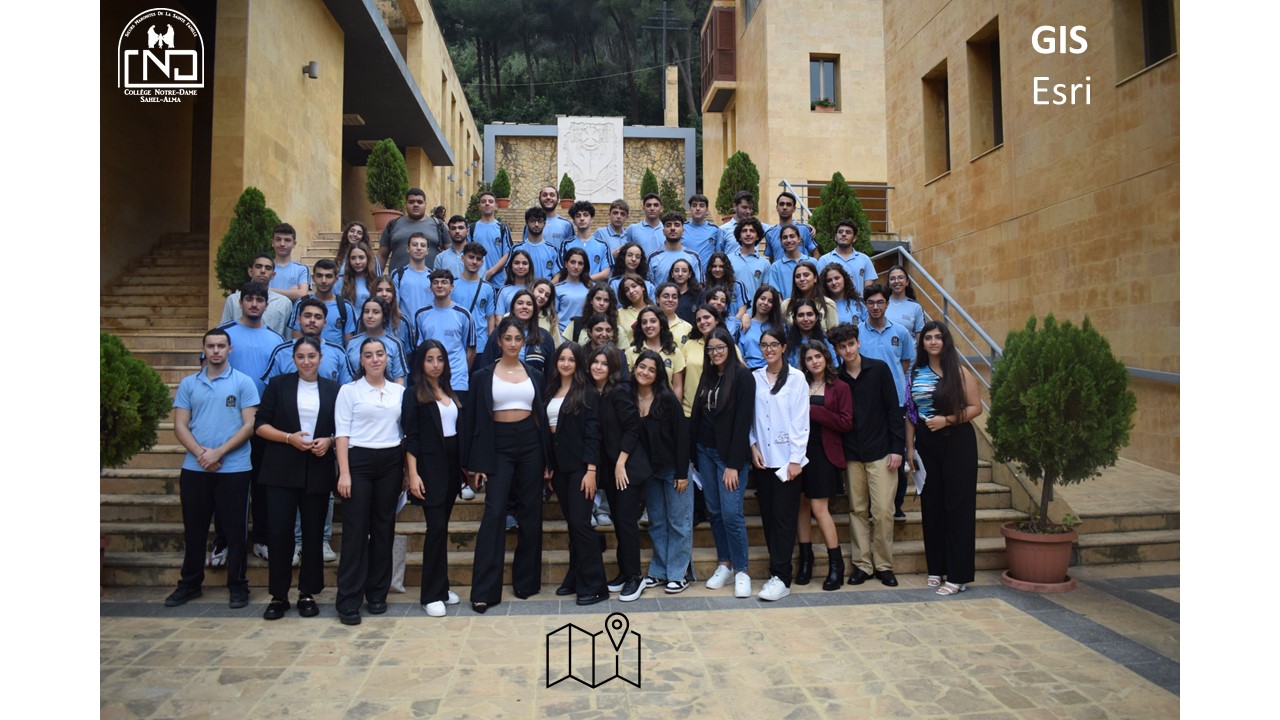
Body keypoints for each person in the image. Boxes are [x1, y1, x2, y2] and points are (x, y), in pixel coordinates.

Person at [462, 317, 554, 612]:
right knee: (494, 512)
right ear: (499, 341)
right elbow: (474, 420)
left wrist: (547, 459)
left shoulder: (534, 374)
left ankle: (526, 582)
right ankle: (484, 590)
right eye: (508, 338)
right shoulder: (483, 375)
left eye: (518, 338)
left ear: (523, 342)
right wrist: (476, 464)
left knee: (531, 510)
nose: (513, 343)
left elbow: (540, 417)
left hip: (530, 442)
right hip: (497, 444)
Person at [164, 328, 258, 610]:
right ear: (204, 350)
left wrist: (219, 452)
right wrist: (201, 454)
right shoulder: (189, 384)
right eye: (211, 346)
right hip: (195, 469)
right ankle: (190, 583)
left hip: (234, 469)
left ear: (230, 349)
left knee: (236, 531)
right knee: (194, 530)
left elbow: (249, 425)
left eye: (221, 346)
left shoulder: (243, 382)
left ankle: (238, 585)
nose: (216, 350)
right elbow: (180, 425)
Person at [253, 337, 339, 620]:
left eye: (311, 356)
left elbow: (342, 428)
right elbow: (260, 425)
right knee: (279, 533)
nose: (306, 361)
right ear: (293, 358)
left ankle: (307, 593)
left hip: (318, 468)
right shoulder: (279, 384)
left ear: (320, 358)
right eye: (300, 356)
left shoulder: (333, 389)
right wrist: (289, 438)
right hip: (281, 469)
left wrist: (329, 441)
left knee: (313, 535)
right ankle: (279, 596)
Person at [333, 337, 407, 625]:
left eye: (380, 354)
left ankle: (377, 594)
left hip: (390, 462)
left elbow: (403, 432)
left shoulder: (399, 391)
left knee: (383, 528)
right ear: (361, 360)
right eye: (368, 355)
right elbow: (342, 433)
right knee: (355, 531)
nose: (375, 359)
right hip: (358, 462)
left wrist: (405, 470)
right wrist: (344, 472)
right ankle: (349, 600)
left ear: (387, 358)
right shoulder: (349, 391)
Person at [906, 321, 982, 597]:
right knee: (932, 506)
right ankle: (936, 568)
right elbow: (910, 413)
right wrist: (910, 448)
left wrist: (947, 420)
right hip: (927, 445)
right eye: (928, 337)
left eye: (938, 337)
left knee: (958, 508)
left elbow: (976, 407)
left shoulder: (959, 372)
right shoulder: (914, 373)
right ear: (922, 343)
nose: (934, 342)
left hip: (957, 442)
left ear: (946, 341)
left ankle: (958, 575)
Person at [829, 322, 905, 588]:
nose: (848, 350)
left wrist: (897, 449)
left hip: (882, 451)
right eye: (842, 347)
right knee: (857, 510)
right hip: (851, 453)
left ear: (858, 343)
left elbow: (894, 411)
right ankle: (862, 564)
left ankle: (884, 565)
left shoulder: (880, 370)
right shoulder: (836, 378)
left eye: (851, 344)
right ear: (836, 350)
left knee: (883, 510)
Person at [402, 340, 467, 616]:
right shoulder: (413, 393)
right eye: (429, 359)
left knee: (442, 530)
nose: (435, 364)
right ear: (421, 363)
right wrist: (413, 474)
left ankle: (441, 587)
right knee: (436, 529)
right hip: (429, 469)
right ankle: (430, 595)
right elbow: (411, 437)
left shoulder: (449, 390)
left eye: (440, 359)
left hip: (451, 468)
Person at [690, 327, 755, 598]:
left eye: (720, 347)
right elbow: (697, 414)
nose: (715, 353)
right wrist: (693, 455)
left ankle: (742, 570)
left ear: (730, 347)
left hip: (729, 457)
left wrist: (733, 464)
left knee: (731, 514)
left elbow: (743, 422)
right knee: (715, 512)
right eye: (711, 349)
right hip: (704, 452)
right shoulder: (708, 375)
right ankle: (724, 564)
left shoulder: (742, 376)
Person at [544, 343, 608, 605]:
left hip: (582, 468)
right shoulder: (550, 389)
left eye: (571, 359)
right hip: (559, 468)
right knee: (573, 525)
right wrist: (548, 466)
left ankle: (596, 585)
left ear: (578, 363)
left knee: (581, 524)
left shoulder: (587, 391)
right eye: (562, 359)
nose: (566, 363)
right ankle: (575, 575)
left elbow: (593, 433)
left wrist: (591, 470)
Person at [748, 328, 809, 602]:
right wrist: (752, 446)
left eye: (774, 345)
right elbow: (750, 418)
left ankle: (782, 578)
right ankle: (776, 573)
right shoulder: (755, 378)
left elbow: (801, 421)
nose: (769, 350)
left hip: (788, 462)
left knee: (784, 520)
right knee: (769, 518)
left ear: (784, 347)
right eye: (764, 345)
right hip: (763, 461)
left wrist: (796, 459)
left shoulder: (796, 378)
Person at [794, 340, 852, 591]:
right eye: (809, 358)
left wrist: (813, 411)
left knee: (819, 508)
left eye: (818, 356)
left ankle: (836, 565)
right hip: (799, 452)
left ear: (826, 358)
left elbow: (845, 422)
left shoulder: (840, 386)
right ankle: (806, 561)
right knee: (801, 506)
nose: (814, 362)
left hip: (824, 453)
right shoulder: (799, 384)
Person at [594, 346, 650, 604]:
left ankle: (635, 577)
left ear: (613, 368)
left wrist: (620, 463)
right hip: (612, 469)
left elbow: (632, 428)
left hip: (628, 468)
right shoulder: (598, 393)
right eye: (595, 362)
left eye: (604, 364)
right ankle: (625, 571)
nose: (598, 367)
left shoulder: (618, 392)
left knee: (626, 523)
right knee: (618, 521)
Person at [634, 350, 692, 595]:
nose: (645, 372)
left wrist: (682, 472)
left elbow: (682, 437)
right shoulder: (629, 398)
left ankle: (678, 574)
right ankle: (659, 571)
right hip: (649, 472)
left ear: (658, 375)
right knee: (657, 523)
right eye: (642, 367)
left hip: (673, 470)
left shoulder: (667, 399)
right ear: (634, 368)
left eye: (651, 369)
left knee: (679, 522)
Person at [860, 282, 915, 520]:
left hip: (896, 401)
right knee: (872, 454)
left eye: (880, 302)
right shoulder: (858, 333)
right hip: (867, 402)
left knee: (896, 450)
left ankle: (897, 503)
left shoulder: (901, 332)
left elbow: (905, 362)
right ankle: (872, 505)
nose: (875, 307)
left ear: (887, 303)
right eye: (871, 303)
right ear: (865, 305)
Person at [413, 269, 476, 401]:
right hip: (430, 381)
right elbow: (420, 349)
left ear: (452, 287)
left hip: (457, 380)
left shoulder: (463, 315)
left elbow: (471, 349)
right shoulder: (421, 315)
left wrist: (462, 370)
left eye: (444, 282)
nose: (440, 285)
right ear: (430, 288)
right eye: (435, 282)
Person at [475, 289, 557, 374]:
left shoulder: (544, 336)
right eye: (520, 303)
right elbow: (486, 366)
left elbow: (550, 372)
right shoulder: (499, 333)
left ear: (534, 310)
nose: (524, 307)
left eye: (529, 304)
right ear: (513, 309)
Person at [221, 252, 294, 339]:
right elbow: (223, 332)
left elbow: (288, 338)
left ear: (273, 275)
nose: (263, 271)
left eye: (268, 268)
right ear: (250, 271)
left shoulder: (284, 303)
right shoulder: (233, 300)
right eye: (258, 266)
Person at [624, 306, 686, 401]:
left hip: (666, 406)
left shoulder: (675, 352)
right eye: (644, 322)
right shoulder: (631, 352)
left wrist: (675, 408)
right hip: (637, 406)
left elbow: (677, 387)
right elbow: (628, 385)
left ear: (661, 324)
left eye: (653, 321)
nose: (648, 325)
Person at [291, 260, 357, 347]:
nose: (324, 280)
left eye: (328, 276)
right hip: (307, 354)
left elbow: (349, 343)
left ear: (336, 279)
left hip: (334, 355)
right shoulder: (301, 303)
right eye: (319, 276)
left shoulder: (345, 307)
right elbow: (296, 340)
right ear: (313, 278)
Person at [346, 297, 409, 384]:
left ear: (384, 316)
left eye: (375, 312)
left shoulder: (395, 344)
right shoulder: (352, 342)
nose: (370, 316)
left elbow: (399, 378)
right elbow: (346, 376)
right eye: (366, 311)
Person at [452, 242, 497, 355]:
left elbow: (490, 318)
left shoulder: (488, 288)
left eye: (478, 259)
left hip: (480, 346)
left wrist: (491, 344)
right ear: (463, 258)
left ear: (482, 262)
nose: (474, 262)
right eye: (471, 257)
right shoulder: (452, 285)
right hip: (456, 344)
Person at [378, 188, 438, 272]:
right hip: (397, 279)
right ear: (406, 203)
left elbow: (450, 254)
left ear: (425, 204)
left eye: (419, 202)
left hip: (431, 279)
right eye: (411, 202)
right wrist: (374, 277)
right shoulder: (393, 225)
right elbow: (382, 255)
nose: (415, 205)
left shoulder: (438, 225)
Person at [816, 219, 877, 288]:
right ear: (835, 237)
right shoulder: (824, 260)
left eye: (848, 232)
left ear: (854, 238)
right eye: (840, 232)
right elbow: (820, 287)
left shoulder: (865, 259)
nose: (843, 234)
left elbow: (869, 289)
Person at [470, 190, 514, 284]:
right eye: (483, 201)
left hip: (498, 282)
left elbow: (508, 253)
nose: (487, 204)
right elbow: (466, 253)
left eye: (490, 201)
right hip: (476, 281)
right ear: (479, 206)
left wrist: (491, 272)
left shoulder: (503, 228)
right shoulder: (472, 228)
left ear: (496, 206)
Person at [648, 211, 703, 286]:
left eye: (677, 225)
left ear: (683, 231)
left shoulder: (693, 257)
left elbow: (699, 286)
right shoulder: (653, 257)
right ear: (663, 231)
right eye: (668, 225)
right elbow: (648, 288)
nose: (673, 228)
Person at [782, 260, 840, 331]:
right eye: (797, 276)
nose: (802, 279)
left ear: (815, 278)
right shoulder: (786, 305)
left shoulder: (828, 304)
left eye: (806, 275)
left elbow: (834, 334)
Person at [390, 233, 436, 319]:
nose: (418, 248)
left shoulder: (434, 277)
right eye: (414, 245)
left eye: (422, 245)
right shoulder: (398, 275)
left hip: (428, 326)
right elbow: (394, 307)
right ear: (408, 249)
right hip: (406, 326)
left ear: (427, 251)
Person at [738, 284, 784, 369]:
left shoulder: (780, 326)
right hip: (749, 371)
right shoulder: (744, 324)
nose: (765, 303)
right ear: (756, 299)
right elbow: (739, 355)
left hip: (773, 371)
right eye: (762, 298)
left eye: (770, 301)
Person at [566, 200, 614, 282]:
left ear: (591, 219)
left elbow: (606, 273)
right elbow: (562, 270)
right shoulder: (566, 244)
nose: (582, 218)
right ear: (574, 221)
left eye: (585, 215)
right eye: (578, 216)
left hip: (595, 288)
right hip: (572, 287)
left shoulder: (603, 245)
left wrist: (585, 280)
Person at [763, 192, 819, 261]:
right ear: (777, 207)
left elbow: (816, 254)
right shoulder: (770, 233)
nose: (784, 207)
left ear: (794, 208)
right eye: (781, 204)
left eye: (788, 204)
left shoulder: (804, 229)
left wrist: (810, 266)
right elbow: (772, 258)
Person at [726, 217, 771, 302]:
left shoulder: (765, 263)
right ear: (739, 236)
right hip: (733, 309)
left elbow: (765, 292)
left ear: (757, 237)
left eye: (752, 231)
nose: (748, 234)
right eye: (744, 231)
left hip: (755, 309)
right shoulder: (728, 260)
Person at [784, 298, 836, 368]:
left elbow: (834, 367)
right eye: (801, 315)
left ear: (816, 317)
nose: (805, 319)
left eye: (810, 314)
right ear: (795, 319)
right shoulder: (787, 345)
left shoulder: (826, 342)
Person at [521, 185, 574, 250]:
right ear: (539, 199)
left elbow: (571, 251)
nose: (548, 197)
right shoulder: (531, 224)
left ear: (558, 199)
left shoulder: (566, 224)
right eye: (545, 195)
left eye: (552, 195)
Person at [269, 223, 311, 301]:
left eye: (287, 240)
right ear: (272, 243)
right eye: (278, 239)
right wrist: (291, 293)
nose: (282, 244)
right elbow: (257, 291)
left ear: (294, 244)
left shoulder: (302, 269)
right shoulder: (264, 267)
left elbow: (302, 294)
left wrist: (269, 290)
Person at [553, 247, 591, 332]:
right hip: (563, 334)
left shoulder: (591, 288)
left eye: (580, 263)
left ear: (584, 266)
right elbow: (553, 316)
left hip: (585, 334)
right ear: (566, 264)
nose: (576, 266)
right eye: (573, 262)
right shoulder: (557, 289)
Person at [765, 225, 808, 298]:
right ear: (781, 242)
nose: (788, 240)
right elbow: (776, 294)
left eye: (792, 236)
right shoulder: (775, 267)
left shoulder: (812, 262)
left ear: (799, 239)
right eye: (785, 237)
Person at [372, 276, 414, 350]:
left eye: (388, 290)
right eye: (379, 290)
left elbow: (408, 352)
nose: (384, 294)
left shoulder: (403, 321)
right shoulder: (365, 319)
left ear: (394, 294)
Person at [682, 193, 720, 274]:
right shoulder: (681, 228)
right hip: (685, 276)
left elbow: (719, 255)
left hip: (707, 277)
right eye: (694, 205)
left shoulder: (714, 230)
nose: (698, 209)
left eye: (701, 206)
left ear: (706, 209)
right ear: (690, 208)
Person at [704, 251, 749, 319]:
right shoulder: (705, 288)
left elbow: (742, 311)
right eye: (714, 266)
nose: (717, 269)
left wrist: (731, 324)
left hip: (734, 324)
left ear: (726, 268)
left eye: (721, 266)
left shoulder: (738, 286)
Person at [886, 264, 926, 340]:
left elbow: (920, 337)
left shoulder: (916, 306)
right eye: (892, 279)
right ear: (889, 284)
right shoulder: (882, 304)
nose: (896, 281)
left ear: (907, 282)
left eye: (900, 278)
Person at [494, 248, 535, 321]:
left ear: (530, 266)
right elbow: (499, 318)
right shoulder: (504, 290)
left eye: (524, 263)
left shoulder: (535, 289)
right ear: (511, 266)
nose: (520, 266)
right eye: (516, 263)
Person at [335, 240, 377, 311]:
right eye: (353, 258)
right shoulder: (339, 281)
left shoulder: (375, 281)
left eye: (361, 257)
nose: (357, 262)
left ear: (368, 258)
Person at [654, 282, 694, 349]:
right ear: (657, 299)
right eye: (666, 296)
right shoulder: (650, 324)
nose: (670, 300)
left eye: (674, 297)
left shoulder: (687, 327)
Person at [666, 258, 704, 326]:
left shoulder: (699, 294)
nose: (680, 274)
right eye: (676, 271)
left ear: (689, 274)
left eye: (684, 271)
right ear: (672, 274)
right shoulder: (666, 294)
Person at [531, 277, 563, 346]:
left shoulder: (550, 319)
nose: (542, 296)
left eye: (547, 295)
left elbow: (557, 346)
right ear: (532, 290)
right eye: (540, 291)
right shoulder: (515, 314)